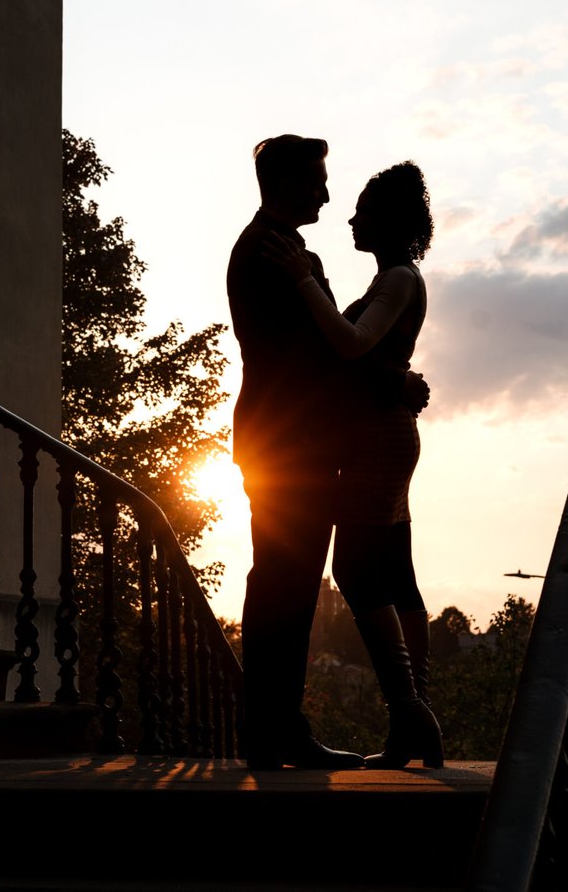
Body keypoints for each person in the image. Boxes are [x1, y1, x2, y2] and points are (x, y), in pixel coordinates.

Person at [227, 136, 429, 770]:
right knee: (284, 586)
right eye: (316, 180)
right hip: (291, 445)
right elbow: (319, 356)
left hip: (289, 441)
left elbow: (333, 348)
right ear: (285, 182)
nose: (327, 194)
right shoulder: (277, 252)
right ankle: (275, 730)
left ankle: (278, 728)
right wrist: (393, 381)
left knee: (287, 584)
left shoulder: (280, 249)